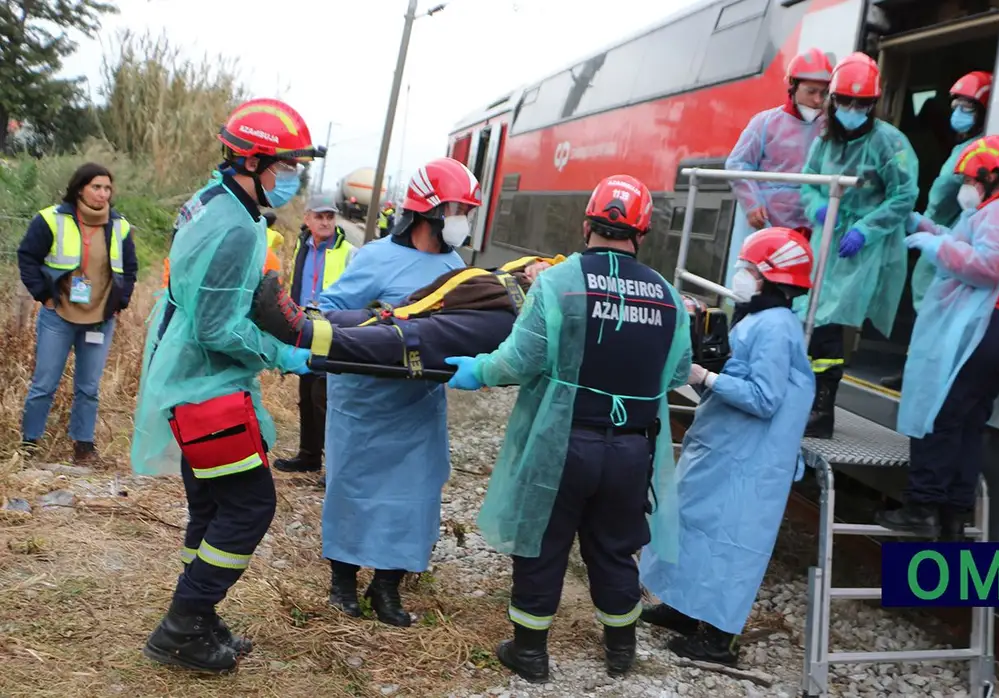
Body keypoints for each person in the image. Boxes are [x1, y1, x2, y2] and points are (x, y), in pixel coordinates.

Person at [443, 174, 692, 684]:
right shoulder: (668, 296)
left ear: (586, 225)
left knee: (543, 543)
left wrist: (478, 371)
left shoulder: (558, 282)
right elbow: (680, 370)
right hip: (630, 451)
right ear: (641, 233)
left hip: (562, 444)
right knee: (615, 548)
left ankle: (530, 654)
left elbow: (521, 359)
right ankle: (621, 651)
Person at [130, 98, 323, 673]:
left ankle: (199, 613)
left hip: (188, 374)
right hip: (206, 385)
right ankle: (183, 624)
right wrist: (283, 353)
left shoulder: (210, 201)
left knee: (212, 502)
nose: (292, 178)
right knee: (250, 506)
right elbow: (217, 326)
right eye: (286, 166)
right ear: (252, 161)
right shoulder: (237, 227)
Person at [639, 227, 816, 666]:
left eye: (749, 268)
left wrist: (706, 377)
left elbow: (764, 397)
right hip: (727, 450)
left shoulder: (776, 326)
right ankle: (681, 609)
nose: (740, 275)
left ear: (770, 277)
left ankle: (720, 642)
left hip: (750, 462)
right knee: (695, 527)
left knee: (734, 547)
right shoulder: (761, 319)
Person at [316, 158, 476, 627]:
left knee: (414, 496)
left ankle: (386, 588)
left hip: (418, 406)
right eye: (458, 209)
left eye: (467, 210)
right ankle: (342, 583)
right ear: (427, 211)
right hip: (363, 403)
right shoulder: (375, 258)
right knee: (352, 490)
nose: (463, 219)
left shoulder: (455, 268)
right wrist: (379, 323)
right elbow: (329, 310)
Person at [877, 135, 999, 539]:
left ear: (989, 176)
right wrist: (922, 225)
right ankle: (952, 513)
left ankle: (922, 506)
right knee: (966, 420)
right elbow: (963, 242)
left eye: (970, 179)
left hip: (998, 325)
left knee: (941, 413)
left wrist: (933, 247)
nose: (966, 188)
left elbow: (987, 266)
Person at [798, 51, 919, 439]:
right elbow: (810, 179)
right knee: (809, 317)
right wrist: (818, 207)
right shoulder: (825, 140)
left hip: (860, 246)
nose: (852, 109)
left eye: (861, 103)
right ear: (833, 101)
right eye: (846, 101)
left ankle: (822, 408)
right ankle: (804, 399)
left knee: (829, 324)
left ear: (873, 104)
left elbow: (903, 195)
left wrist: (865, 229)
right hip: (826, 240)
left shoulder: (890, 144)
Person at [17, 162, 139, 465]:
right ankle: (29, 446)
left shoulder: (119, 225)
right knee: (44, 384)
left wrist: (119, 302)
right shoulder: (50, 219)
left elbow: (130, 268)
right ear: (80, 188)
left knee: (88, 388)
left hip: (99, 318)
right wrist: (43, 295)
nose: (102, 194)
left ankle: (83, 448)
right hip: (58, 314)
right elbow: (27, 257)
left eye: (107, 188)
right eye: (96, 187)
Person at [881, 71, 993, 391]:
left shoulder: (975, 151)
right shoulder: (963, 148)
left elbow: (951, 196)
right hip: (939, 232)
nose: (958, 113)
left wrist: (930, 226)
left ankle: (920, 374)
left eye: (968, 108)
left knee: (932, 306)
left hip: (947, 235)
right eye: (956, 105)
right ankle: (915, 369)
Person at [722, 49, 832, 290]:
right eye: (811, 91)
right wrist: (752, 203)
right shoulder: (765, 123)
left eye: (823, 93)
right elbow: (737, 163)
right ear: (792, 88)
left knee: (798, 291)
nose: (817, 100)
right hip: (766, 224)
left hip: (808, 229)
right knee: (756, 289)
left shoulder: (828, 129)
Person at [272, 193, 358, 475]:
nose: (325, 222)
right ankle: (308, 457)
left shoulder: (349, 252)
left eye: (330, 216)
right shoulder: (303, 247)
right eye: (319, 216)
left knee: (326, 398)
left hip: (333, 329)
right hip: (306, 326)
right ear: (307, 218)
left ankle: (335, 467)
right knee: (307, 393)